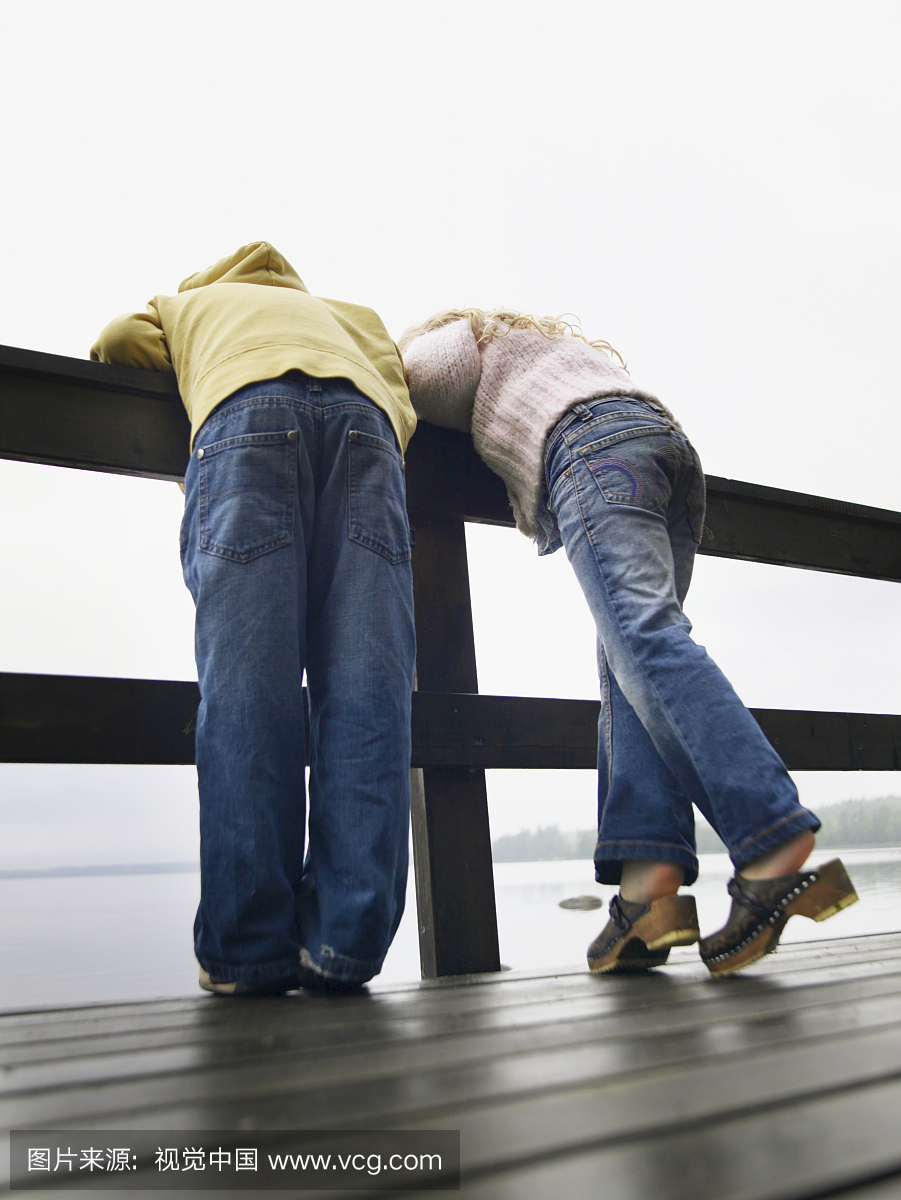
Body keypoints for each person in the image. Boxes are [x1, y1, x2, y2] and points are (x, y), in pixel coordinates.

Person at [399, 309, 858, 977]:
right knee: (629, 662)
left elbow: (423, 376)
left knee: (644, 639)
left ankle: (771, 841)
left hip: (594, 453)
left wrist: (377, 369)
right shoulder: (550, 351)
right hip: (663, 451)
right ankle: (648, 892)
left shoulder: (473, 337)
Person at [92, 242, 417, 995]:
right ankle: (345, 941)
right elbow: (397, 389)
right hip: (366, 436)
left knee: (249, 687)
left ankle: (248, 948)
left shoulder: (191, 304)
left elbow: (115, 344)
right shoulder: (350, 316)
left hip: (246, 420)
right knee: (368, 689)